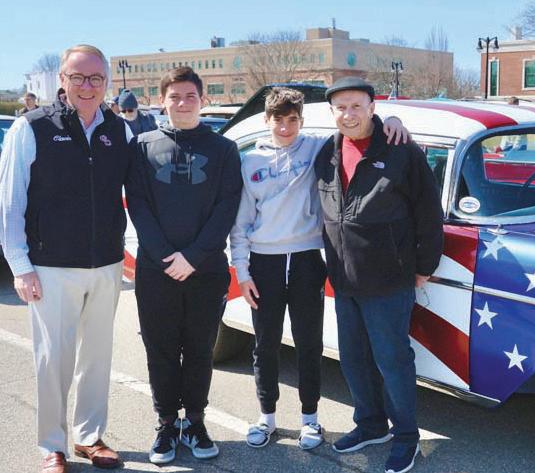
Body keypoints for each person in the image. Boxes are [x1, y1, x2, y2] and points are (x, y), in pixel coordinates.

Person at [229, 87, 408, 451]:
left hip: (308, 259)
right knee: (265, 344)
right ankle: (267, 418)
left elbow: (356, 127)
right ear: (267, 120)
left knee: (308, 342)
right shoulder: (250, 162)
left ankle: (310, 419)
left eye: (292, 120)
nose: (285, 127)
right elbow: (241, 221)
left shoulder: (317, 147)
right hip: (264, 263)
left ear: (302, 121)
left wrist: (391, 118)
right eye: (278, 120)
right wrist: (242, 272)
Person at [0, 44, 131, 473]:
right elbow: (10, 203)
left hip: (107, 265)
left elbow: (132, 195)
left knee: (97, 357)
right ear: (62, 80)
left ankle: (89, 437)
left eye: (95, 78)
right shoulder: (32, 127)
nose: (87, 86)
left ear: (106, 82)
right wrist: (19, 265)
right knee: (53, 359)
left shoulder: (119, 129)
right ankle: (52, 446)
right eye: (78, 77)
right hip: (51, 266)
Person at [314, 77, 443, 473]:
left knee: (392, 361)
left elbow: (428, 211)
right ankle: (370, 425)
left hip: (389, 278)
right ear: (332, 112)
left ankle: (406, 437)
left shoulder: (402, 150)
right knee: (353, 358)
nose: (348, 114)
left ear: (372, 107)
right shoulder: (326, 152)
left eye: (356, 106)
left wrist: (425, 266)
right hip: (344, 278)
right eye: (341, 108)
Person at [126, 66, 242, 465]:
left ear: (203, 100)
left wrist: (193, 257)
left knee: (198, 348)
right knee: (159, 348)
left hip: (205, 269)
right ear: (162, 101)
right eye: (174, 96)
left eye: (190, 96)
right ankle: (165, 423)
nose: (182, 103)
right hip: (155, 269)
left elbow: (228, 206)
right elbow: (138, 204)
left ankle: (194, 421)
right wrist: (164, 256)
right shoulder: (142, 146)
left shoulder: (223, 149)